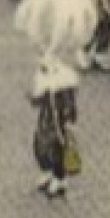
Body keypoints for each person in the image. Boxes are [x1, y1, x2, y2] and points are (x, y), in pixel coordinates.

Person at [30, 45, 80, 200]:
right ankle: (48, 171)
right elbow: (38, 100)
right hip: (46, 120)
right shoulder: (47, 83)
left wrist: (66, 123)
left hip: (59, 123)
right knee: (40, 144)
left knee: (58, 148)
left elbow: (68, 108)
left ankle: (60, 177)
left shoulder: (64, 86)